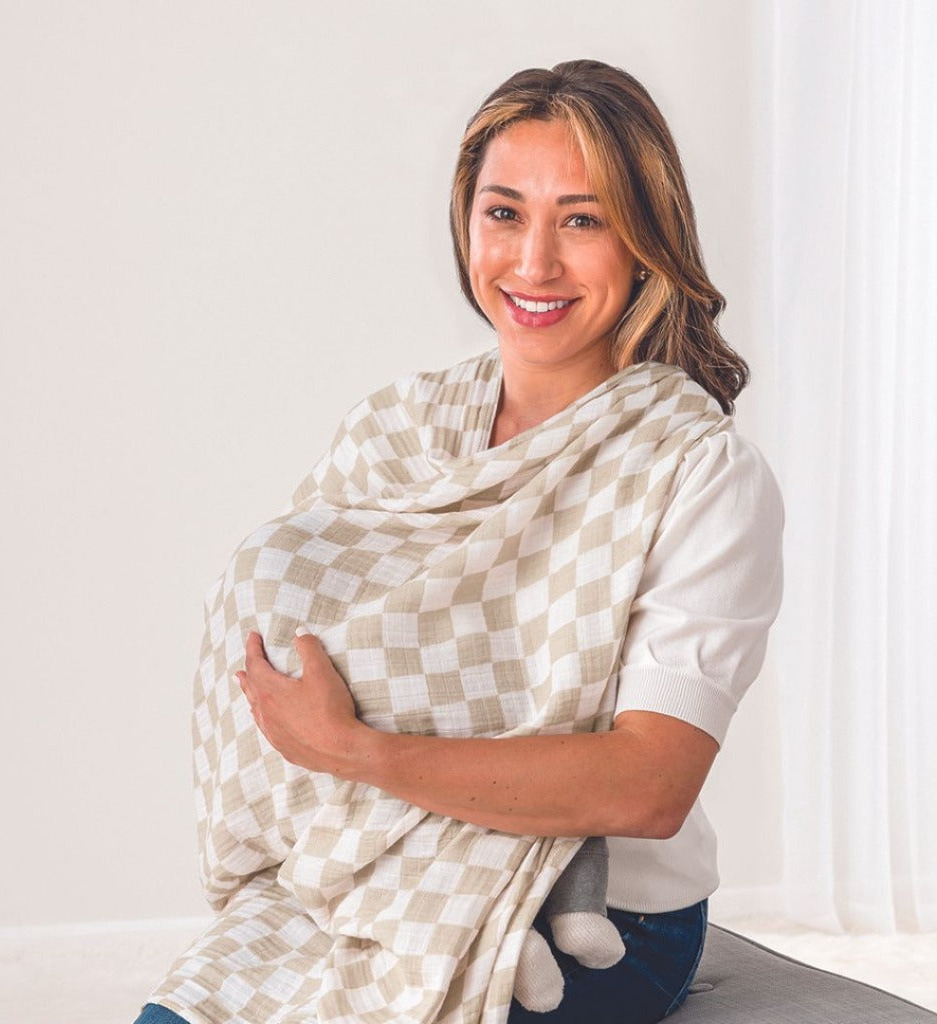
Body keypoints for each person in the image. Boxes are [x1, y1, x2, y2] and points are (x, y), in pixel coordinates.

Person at [136, 60, 783, 1024]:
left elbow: (650, 784)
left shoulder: (697, 472)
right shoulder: (397, 430)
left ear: (647, 240)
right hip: (365, 873)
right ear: (465, 223)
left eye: (583, 220)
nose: (534, 263)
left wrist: (359, 749)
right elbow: (304, 643)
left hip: (606, 916)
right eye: (504, 213)